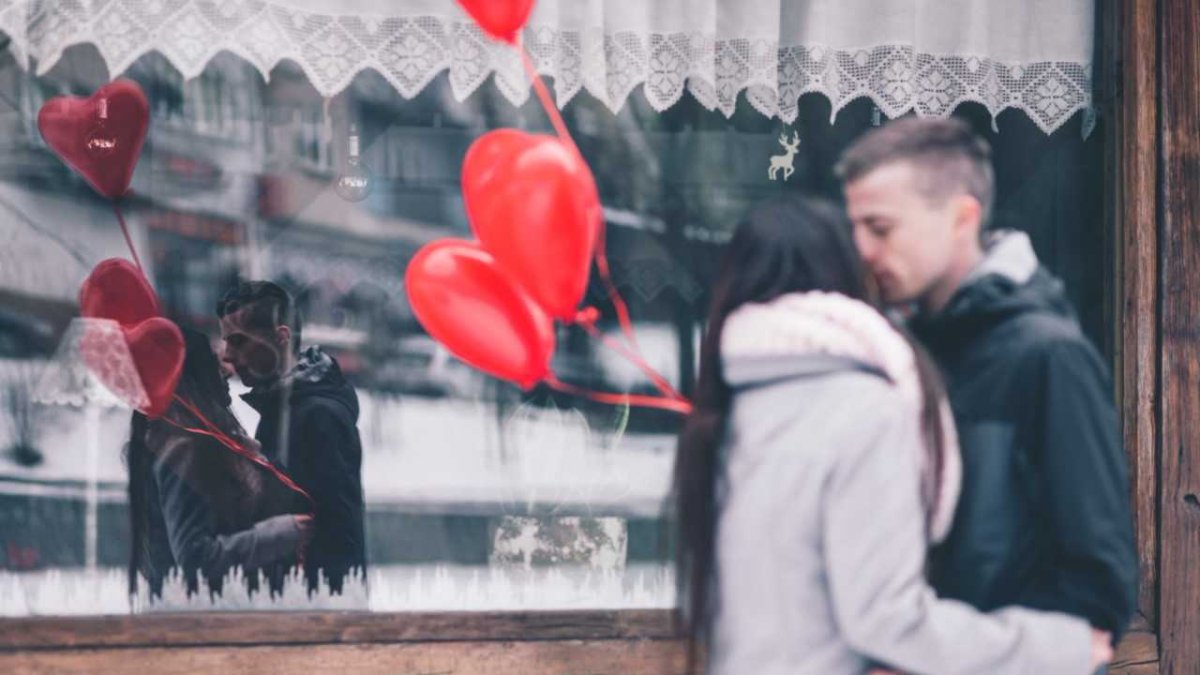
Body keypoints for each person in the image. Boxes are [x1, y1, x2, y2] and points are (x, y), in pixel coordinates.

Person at [673, 196, 1112, 674]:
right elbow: (886, 618)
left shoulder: (727, 413)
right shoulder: (864, 410)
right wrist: (1055, 648)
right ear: (844, 275)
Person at [838, 118, 1137, 660]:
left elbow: (1101, 587)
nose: (863, 250)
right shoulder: (897, 353)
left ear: (961, 217)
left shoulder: (1047, 357)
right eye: (855, 228)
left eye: (880, 228)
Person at [127, 328, 313, 600]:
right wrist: (282, 533)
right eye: (214, 364)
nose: (226, 372)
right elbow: (195, 558)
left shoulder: (192, 441)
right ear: (194, 375)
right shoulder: (184, 449)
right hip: (203, 622)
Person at [216, 281, 366, 594]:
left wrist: (333, 617)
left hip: (314, 612)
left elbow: (338, 531)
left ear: (281, 337)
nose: (228, 355)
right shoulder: (282, 408)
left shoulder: (317, 415)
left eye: (239, 341)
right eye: (226, 342)